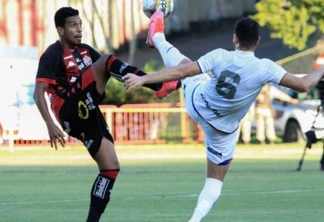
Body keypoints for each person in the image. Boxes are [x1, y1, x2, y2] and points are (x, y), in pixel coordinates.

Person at [123, 12, 324, 221]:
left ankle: (157, 38)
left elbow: (183, 70)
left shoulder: (220, 55)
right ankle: (194, 220)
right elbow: (304, 84)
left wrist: (144, 79)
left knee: (186, 65)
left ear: (234, 38)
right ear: (258, 40)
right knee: (215, 181)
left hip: (198, 104)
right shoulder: (265, 67)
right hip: (222, 130)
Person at [33, 7, 179, 221]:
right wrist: (49, 124)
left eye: (80, 24)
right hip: (69, 110)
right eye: (73, 25)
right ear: (60, 30)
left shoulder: (84, 50)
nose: (79, 29)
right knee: (107, 60)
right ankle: (159, 86)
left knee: (110, 168)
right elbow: (38, 93)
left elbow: (107, 72)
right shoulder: (52, 54)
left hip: (88, 112)